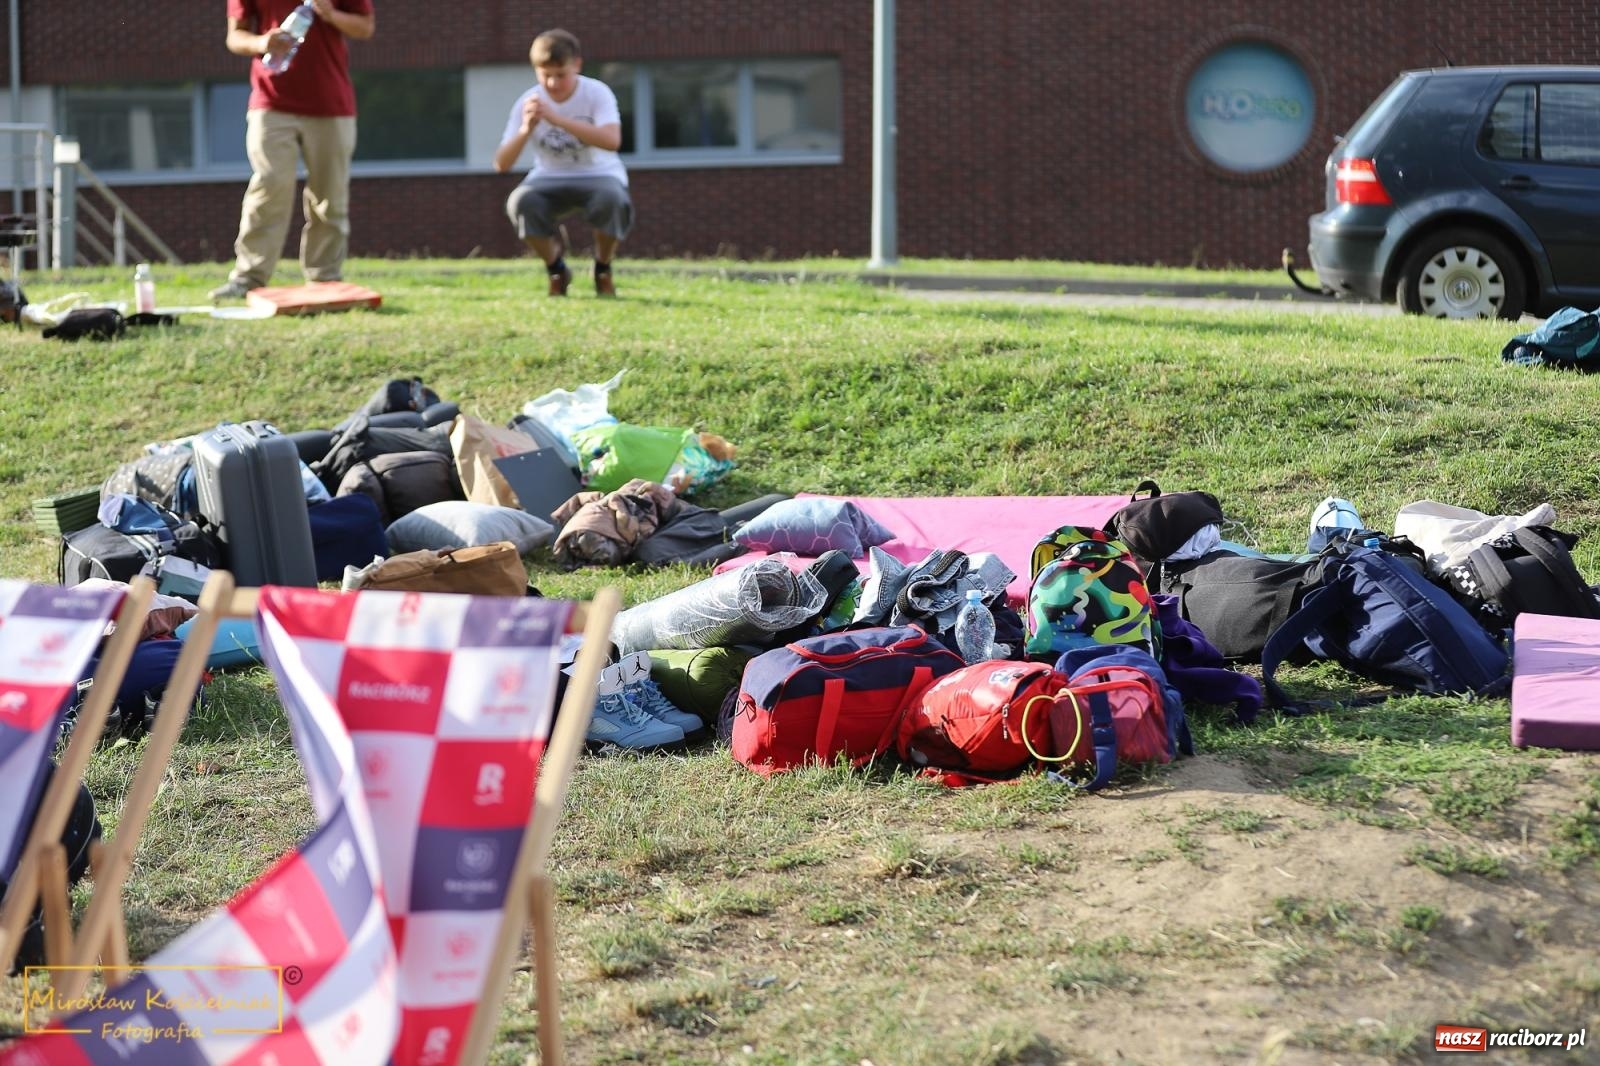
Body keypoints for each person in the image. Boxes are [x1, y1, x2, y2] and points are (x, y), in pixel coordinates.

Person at [211, 0, 376, 301]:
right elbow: (235, 36)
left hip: (331, 105)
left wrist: (330, 14)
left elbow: (365, 27)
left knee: (329, 196)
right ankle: (249, 278)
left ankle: (325, 280)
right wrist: (262, 42)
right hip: (271, 103)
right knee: (270, 185)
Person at [494, 29, 633, 298]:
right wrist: (525, 129)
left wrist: (558, 120)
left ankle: (602, 269)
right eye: (545, 75)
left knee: (612, 199)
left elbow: (612, 140)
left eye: (561, 75)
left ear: (577, 65)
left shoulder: (596, 93)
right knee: (520, 202)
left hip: (599, 173)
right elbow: (501, 165)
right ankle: (556, 269)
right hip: (549, 176)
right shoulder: (527, 102)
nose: (553, 83)